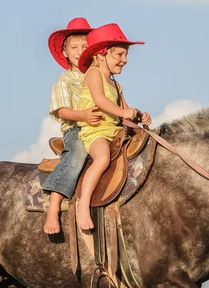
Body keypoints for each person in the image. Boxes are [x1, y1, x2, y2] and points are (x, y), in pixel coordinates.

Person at [75, 23, 152, 230]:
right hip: (96, 131)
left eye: (125, 55)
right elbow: (100, 101)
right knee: (102, 158)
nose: (124, 60)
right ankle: (83, 204)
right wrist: (123, 112)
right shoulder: (94, 74)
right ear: (101, 54)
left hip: (115, 132)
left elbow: (125, 111)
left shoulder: (117, 85)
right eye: (119, 54)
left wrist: (138, 116)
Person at [42, 18, 104, 234]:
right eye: (74, 47)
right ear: (65, 52)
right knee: (76, 155)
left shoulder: (99, 75)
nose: (80, 51)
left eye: (85, 46)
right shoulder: (64, 80)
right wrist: (83, 115)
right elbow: (62, 111)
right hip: (77, 129)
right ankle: (54, 205)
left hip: (101, 129)